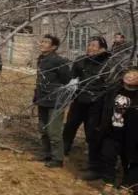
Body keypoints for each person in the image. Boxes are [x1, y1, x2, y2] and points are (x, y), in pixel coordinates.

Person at [62, 36, 111, 179]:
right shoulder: (81, 60)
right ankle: (62, 152)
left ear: (102, 48)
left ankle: (94, 167)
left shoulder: (108, 63)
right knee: (70, 126)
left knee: (92, 134)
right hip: (79, 100)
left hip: (97, 103)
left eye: (94, 45)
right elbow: (72, 77)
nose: (90, 47)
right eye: (89, 45)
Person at [34, 34, 72, 168]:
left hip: (56, 101)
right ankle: (46, 154)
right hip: (43, 99)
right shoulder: (41, 59)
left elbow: (67, 79)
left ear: (54, 47)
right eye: (42, 41)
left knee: (54, 131)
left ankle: (57, 159)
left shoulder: (59, 61)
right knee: (43, 128)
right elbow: (39, 81)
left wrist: (54, 89)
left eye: (46, 42)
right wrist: (36, 97)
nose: (42, 44)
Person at [98, 69, 138, 194]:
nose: (130, 77)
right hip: (112, 130)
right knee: (108, 155)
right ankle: (109, 182)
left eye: (135, 75)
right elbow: (103, 108)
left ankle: (127, 185)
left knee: (132, 159)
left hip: (133, 134)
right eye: (129, 74)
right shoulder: (114, 90)